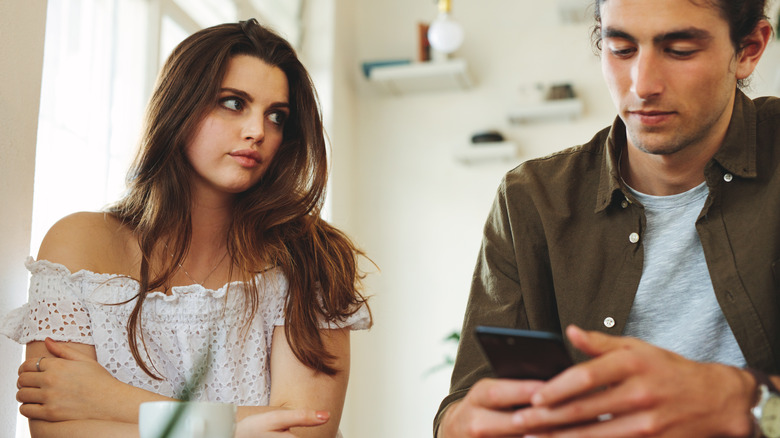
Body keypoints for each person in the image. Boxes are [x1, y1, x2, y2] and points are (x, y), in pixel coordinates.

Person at [1, 18, 371, 438]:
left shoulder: (311, 258)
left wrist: (109, 400)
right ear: (180, 104)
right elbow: (56, 430)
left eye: (277, 117)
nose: (257, 132)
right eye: (233, 102)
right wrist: (236, 428)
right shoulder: (78, 246)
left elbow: (302, 433)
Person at [435, 0, 779, 436]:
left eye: (680, 50)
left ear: (749, 48)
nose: (643, 84)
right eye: (621, 48)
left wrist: (747, 406)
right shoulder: (532, 199)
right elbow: (462, 409)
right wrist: (465, 424)